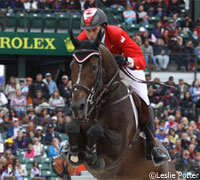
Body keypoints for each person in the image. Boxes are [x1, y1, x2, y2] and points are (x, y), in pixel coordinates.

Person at [77, 7, 168, 166]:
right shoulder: (83, 38)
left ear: (103, 27)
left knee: (143, 99)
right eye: (87, 30)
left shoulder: (116, 34)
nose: (90, 34)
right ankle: (75, 138)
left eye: (94, 30)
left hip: (126, 69)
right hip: (102, 72)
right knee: (82, 94)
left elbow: (140, 59)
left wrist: (126, 61)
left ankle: (152, 145)